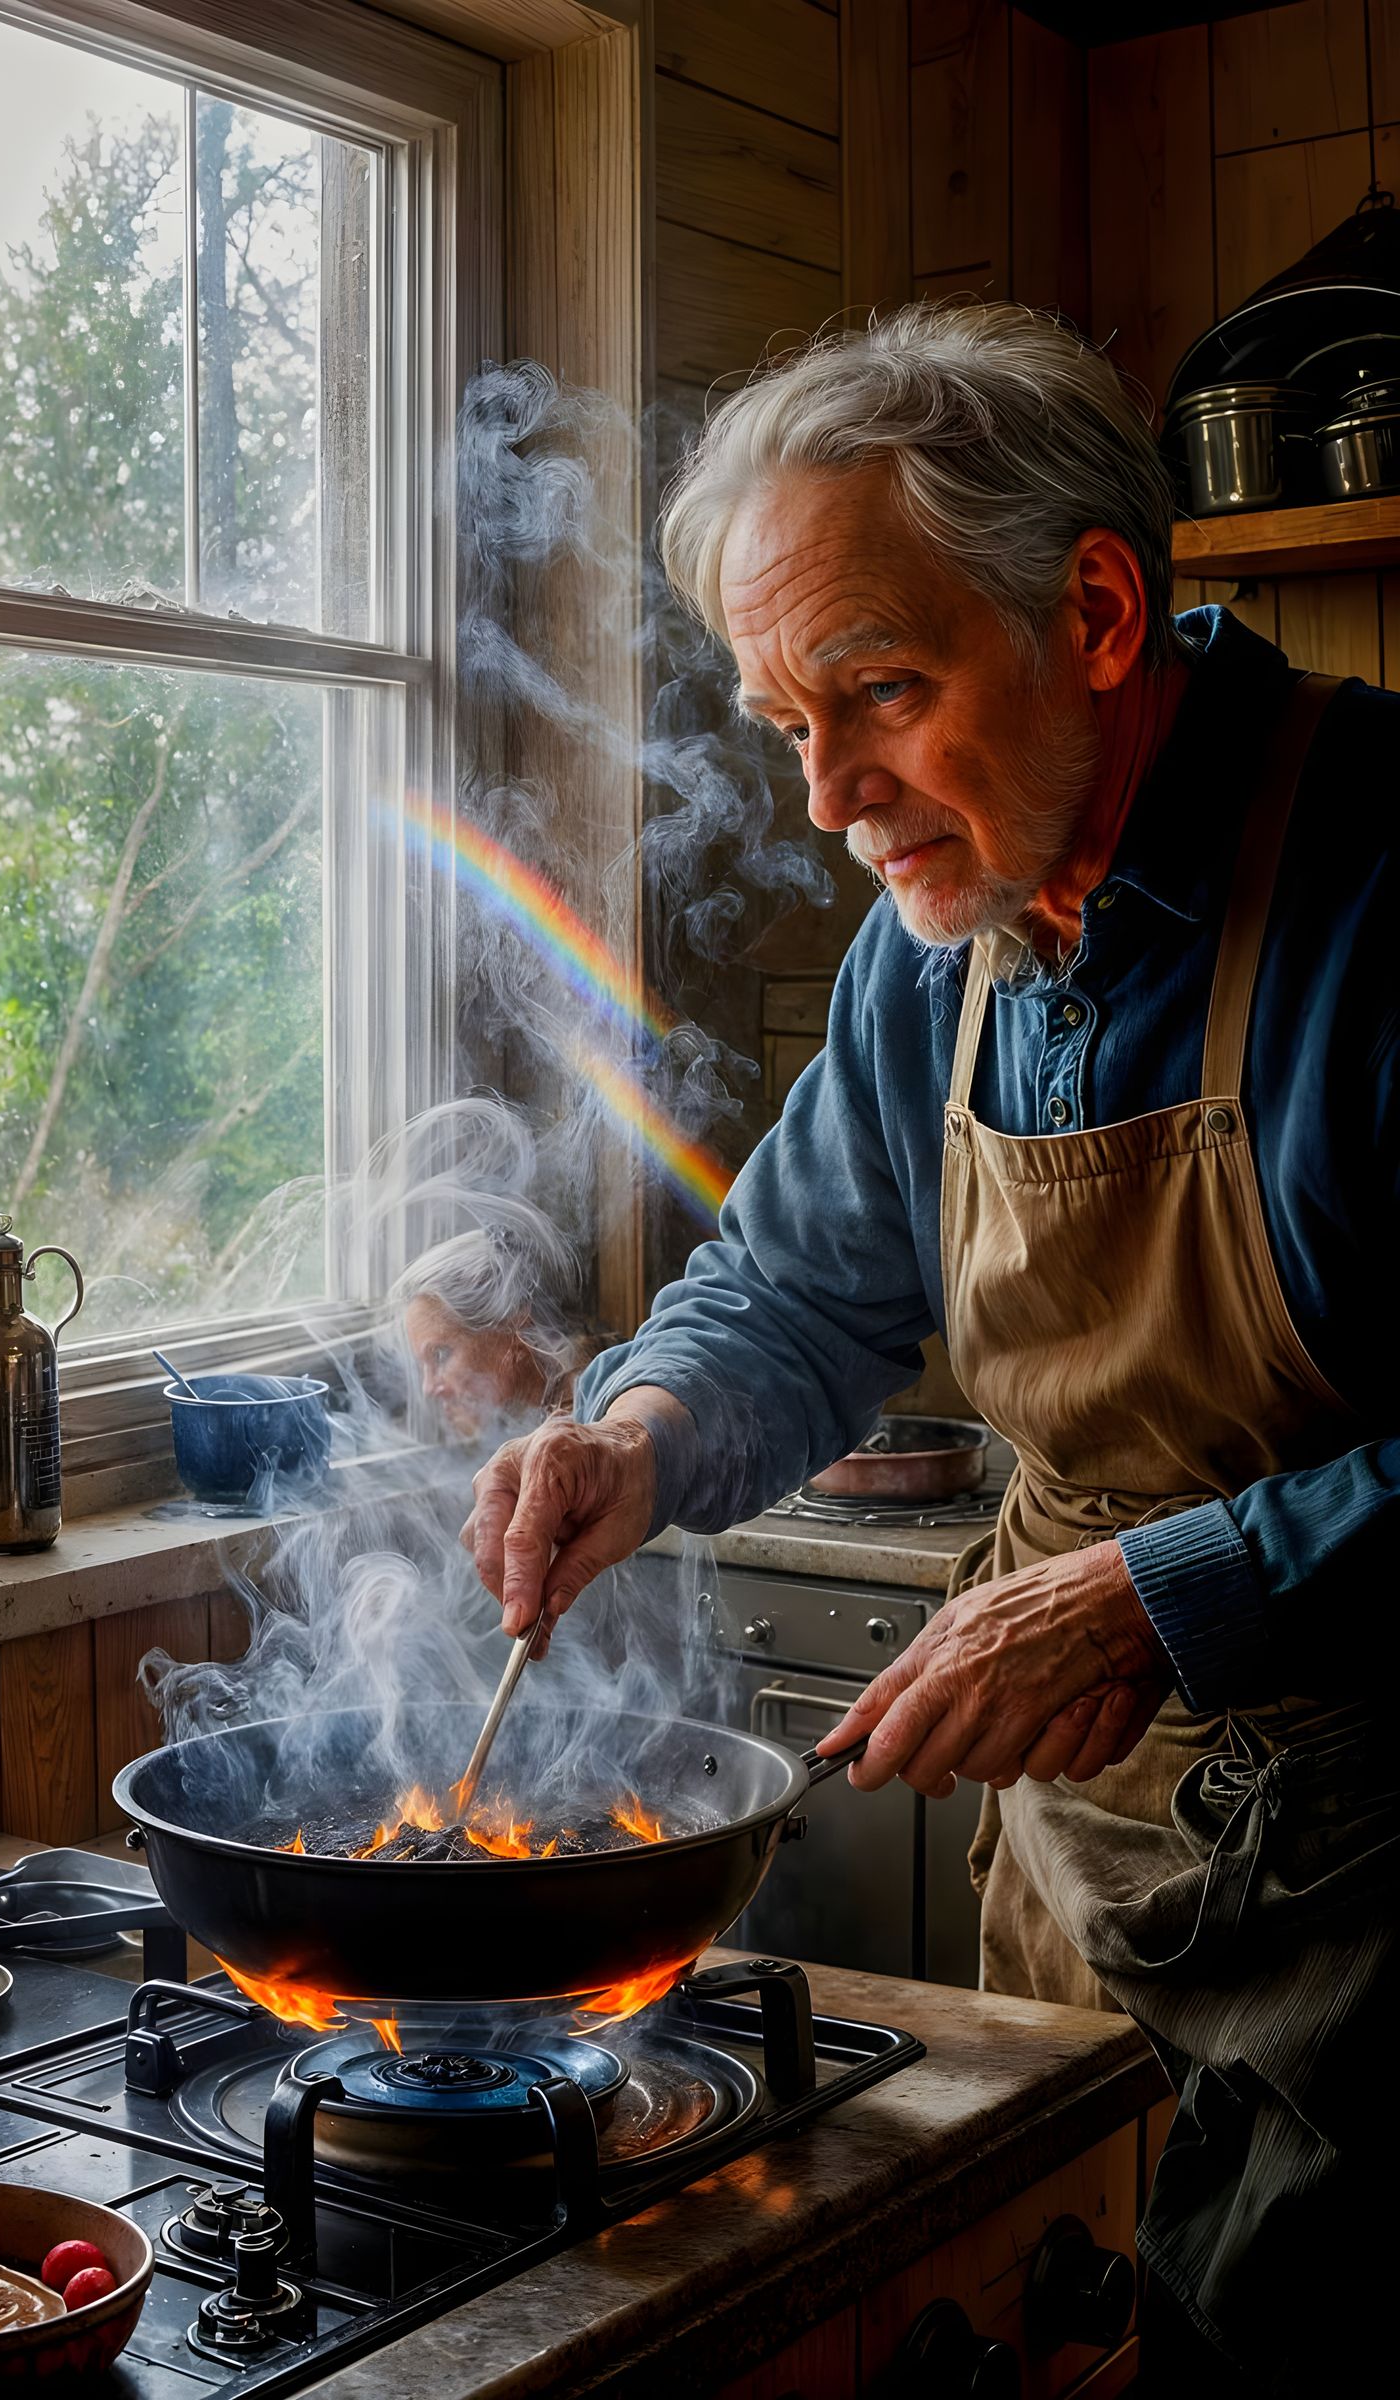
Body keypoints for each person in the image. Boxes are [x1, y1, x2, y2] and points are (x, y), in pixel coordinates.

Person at [460, 305, 1398, 2390]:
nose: (824, 800)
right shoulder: (942, 940)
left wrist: (1167, 1591)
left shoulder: (1383, 885)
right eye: (779, 722)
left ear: (1089, 608)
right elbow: (793, 1288)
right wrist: (635, 1431)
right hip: (1090, 1892)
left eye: (875, 694)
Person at [394, 1225, 607, 1436]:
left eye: (440, 1355)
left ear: (512, 1324)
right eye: (422, 1366)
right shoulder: (534, 1416)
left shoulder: (601, 1405)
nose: (428, 1387)